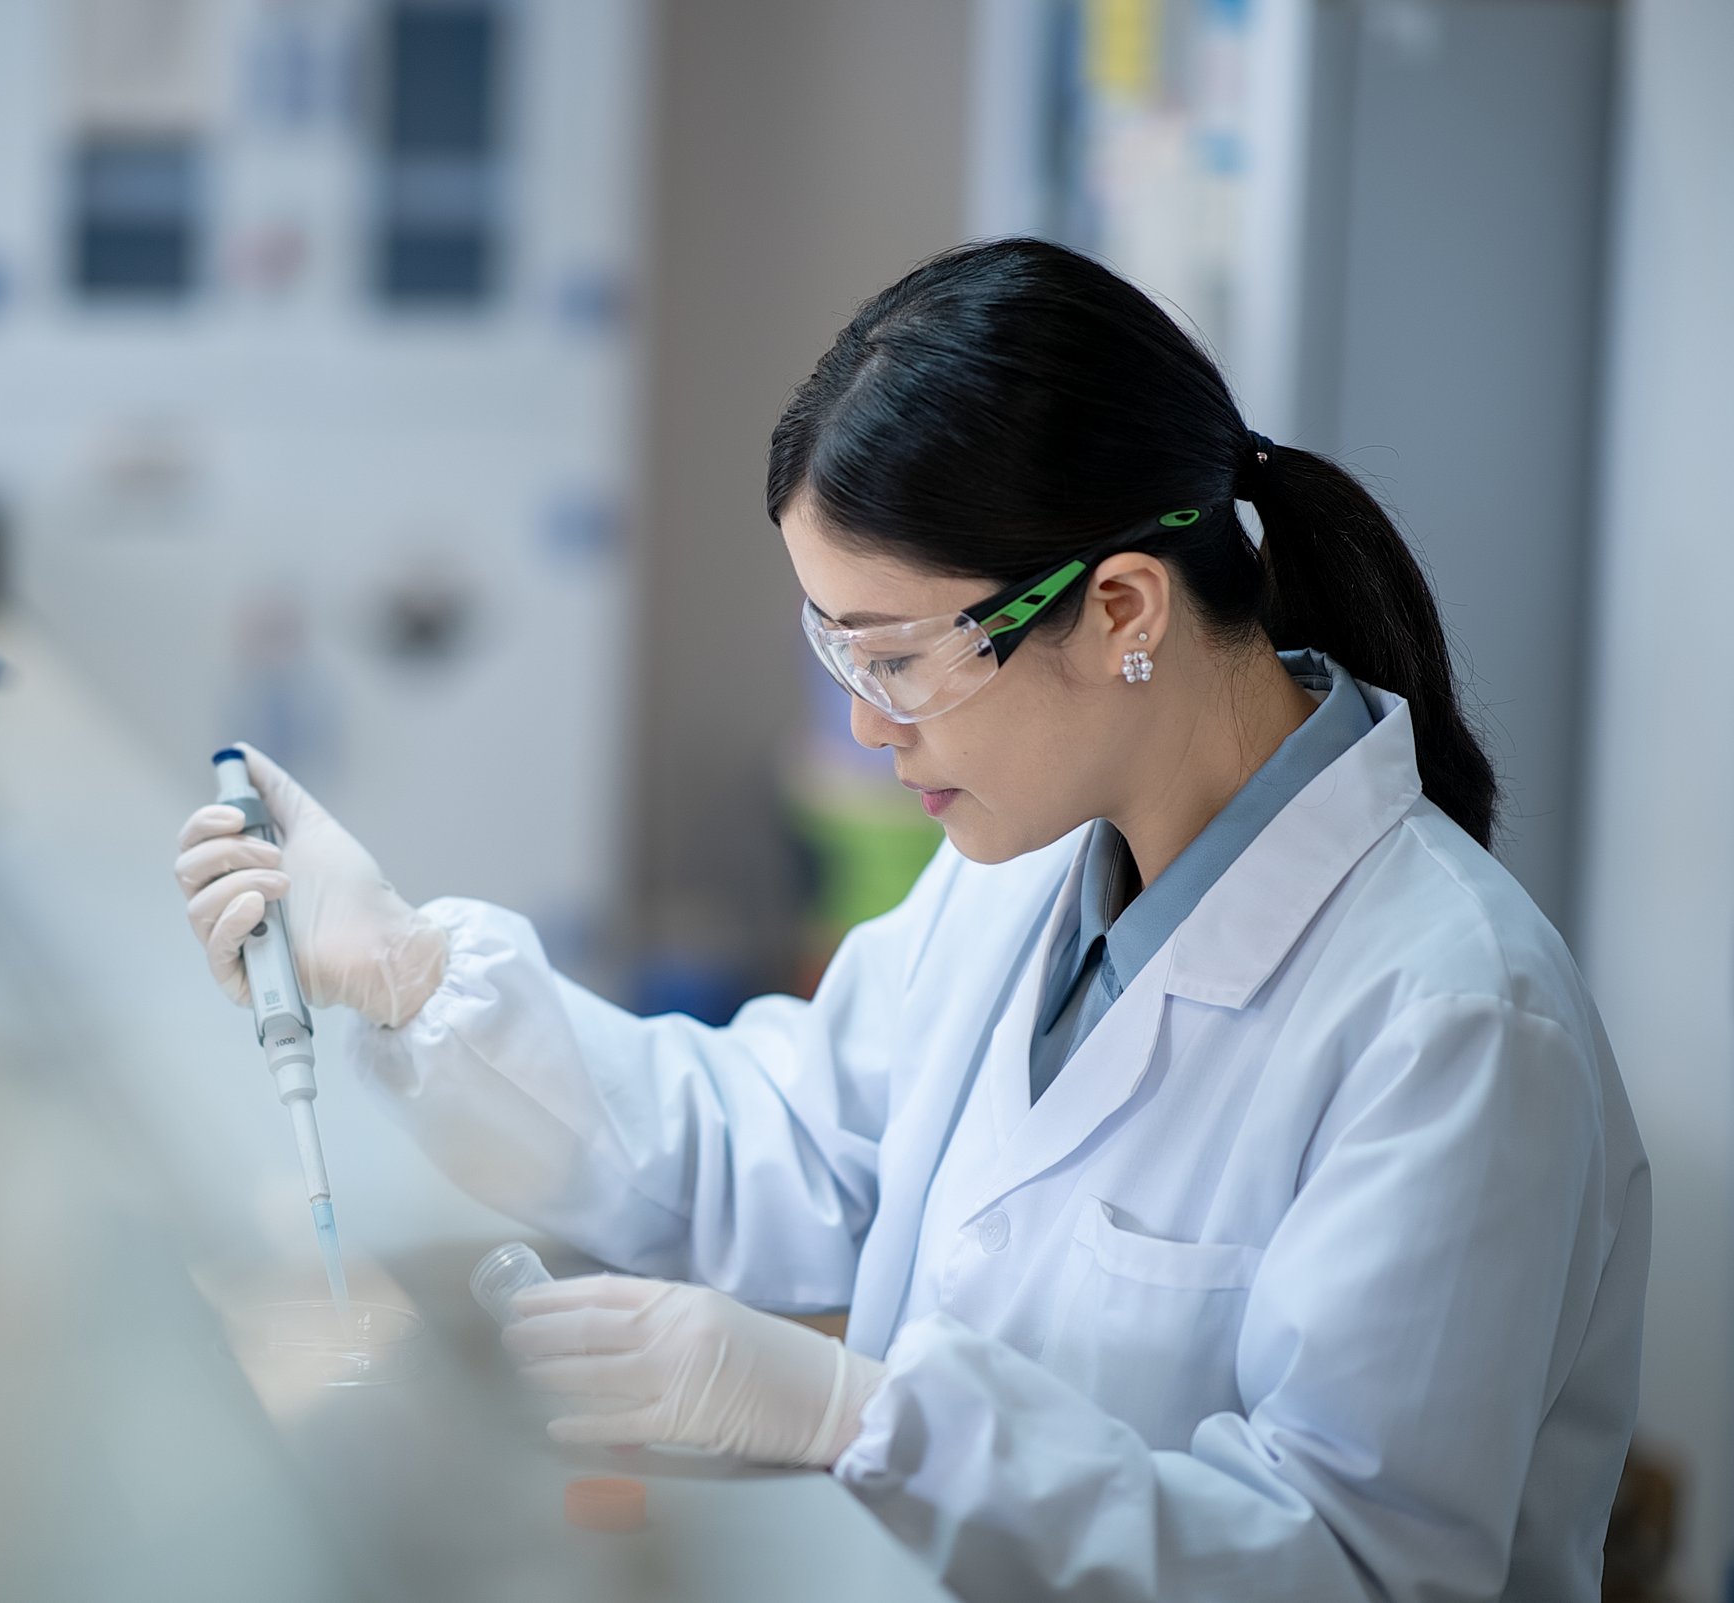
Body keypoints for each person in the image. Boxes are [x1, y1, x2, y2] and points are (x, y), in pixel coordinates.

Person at [172, 239, 1648, 1601]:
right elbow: (791, 1148)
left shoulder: (1452, 1023)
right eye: (834, 652)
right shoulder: (1022, 871)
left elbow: (1356, 1573)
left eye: (895, 659)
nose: (868, 728)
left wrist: (866, 1419)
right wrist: (411, 976)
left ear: (1123, 608)